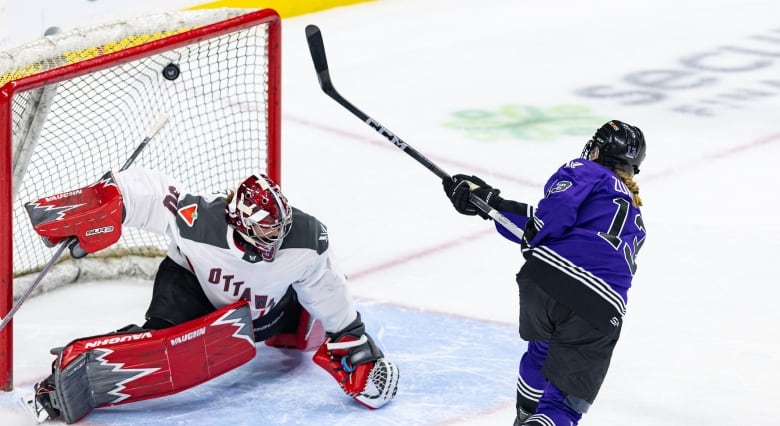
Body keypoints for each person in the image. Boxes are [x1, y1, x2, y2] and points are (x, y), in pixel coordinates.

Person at [24, 167, 399, 424]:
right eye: (266, 235)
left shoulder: (306, 240)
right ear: (239, 222)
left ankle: (291, 328)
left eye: (279, 232)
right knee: (157, 338)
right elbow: (153, 194)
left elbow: (326, 285)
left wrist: (350, 339)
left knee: (302, 314)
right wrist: (109, 201)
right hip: (192, 288)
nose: (275, 241)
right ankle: (73, 373)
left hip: (264, 315)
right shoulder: (200, 222)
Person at [442, 120, 646, 425]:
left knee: (541, 350)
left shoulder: (585, 169)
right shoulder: (633, 212)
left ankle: (525, 417)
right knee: (563, 407)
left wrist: (491, 207)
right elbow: (570, 237)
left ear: (597, 150)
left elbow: (555, 213)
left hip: (545, 283)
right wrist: (490, 202)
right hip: (599, 308)